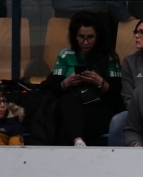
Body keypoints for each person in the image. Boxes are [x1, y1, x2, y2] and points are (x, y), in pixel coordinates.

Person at [48, 11, 122, 145]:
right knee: (68, 102)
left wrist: (99, 82)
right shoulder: (65, 55)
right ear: (74, 36)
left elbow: (117, 96)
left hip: (97, 105)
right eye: (81, 37)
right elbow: (52, 89)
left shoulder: (109, 57)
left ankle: (77, 143)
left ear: (98, 36)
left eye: (90, 37)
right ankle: (78, 142)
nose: (85, 42)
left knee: (68, 124)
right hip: (70, 103)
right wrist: (66, 83)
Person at [107, 17, 143, 148]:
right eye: (136, 32)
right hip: (137, 112)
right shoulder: (130, 62)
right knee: (117, 121)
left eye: (142, 32)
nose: (137, 36)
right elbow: (128, 97)